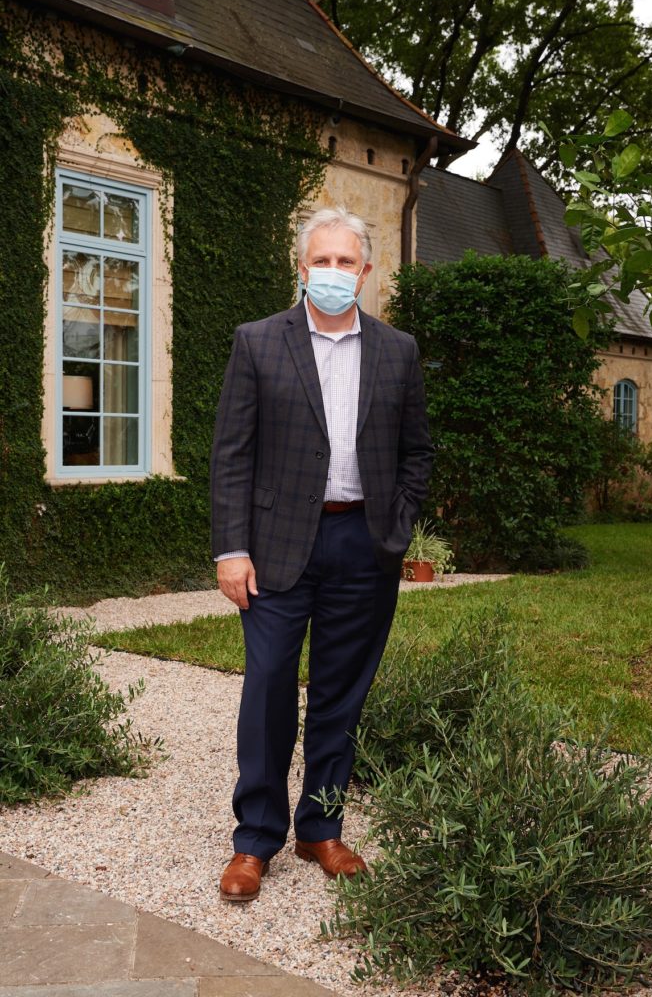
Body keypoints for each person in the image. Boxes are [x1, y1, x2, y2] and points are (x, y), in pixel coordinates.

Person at [210, 206, 433, 901]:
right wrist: (231, 550)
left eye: (347, 262)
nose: (333, 273)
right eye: (321, 261)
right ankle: (255, 840)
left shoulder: (397, 350)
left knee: (342, 694)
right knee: (270, 684)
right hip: (275, 547)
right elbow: (231, 457)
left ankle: (320, 827)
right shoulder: (257, 342)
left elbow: (416, 452)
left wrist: (394, 526)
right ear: (300, 269)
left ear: (366, 272)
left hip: (361, 544)